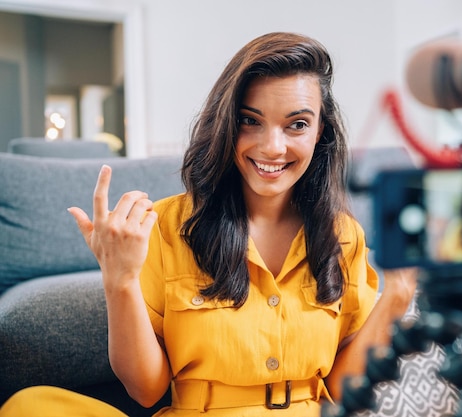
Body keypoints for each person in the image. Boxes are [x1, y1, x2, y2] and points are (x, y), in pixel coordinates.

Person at [0, 32, 417, 417]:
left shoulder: (343, 234)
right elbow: (146, 390)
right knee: (31, 404)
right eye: (250, 120)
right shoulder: (165, 225)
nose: (273, 146)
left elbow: (345, 389)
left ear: (319, 132)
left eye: (298, 124)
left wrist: (398, 293)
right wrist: (119, 281)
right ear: (225, 124)